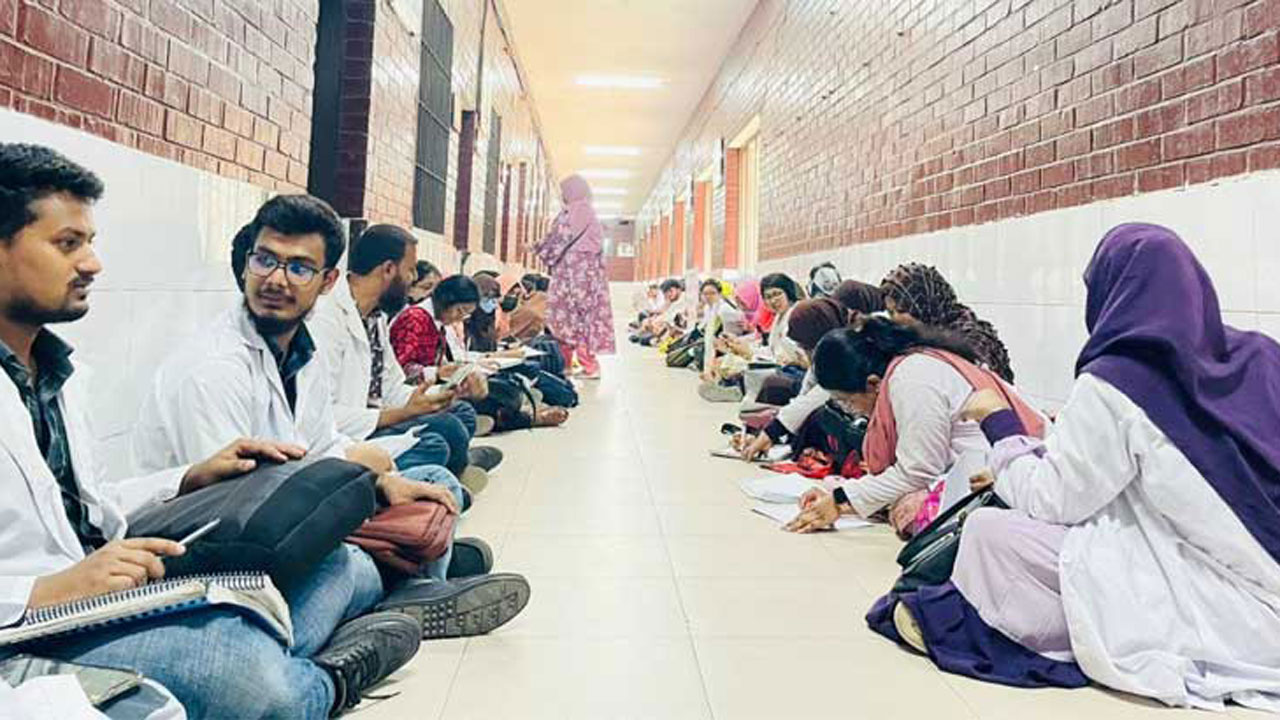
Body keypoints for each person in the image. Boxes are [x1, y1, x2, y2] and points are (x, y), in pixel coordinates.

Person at [0, 143, 424, 718]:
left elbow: (83, 510)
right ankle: (324, 680)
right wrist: (43, 591)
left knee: (339, 566)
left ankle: (277, 653)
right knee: (242, 669)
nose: (93, 264)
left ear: (325, 281)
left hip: (106, 589)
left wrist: (188, 477)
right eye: (67, 243)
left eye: (89, 242)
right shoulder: (209, 366)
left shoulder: (57, 374)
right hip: (30, 624)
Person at [878, 224, 1280, 712]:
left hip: (1231, 605)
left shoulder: (1118, 380)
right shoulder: (1261, 355)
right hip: (1260, 573)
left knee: (992, 532)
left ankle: (1015, 634)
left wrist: (1000, 426)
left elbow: (1053, 501)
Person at [133, 194, 529, 628]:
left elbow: (323, 442)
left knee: (434, 484)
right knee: (343, 569)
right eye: (265, 260)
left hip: (288, 509)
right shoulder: (212, 370)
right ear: (246, 264)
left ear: (327, 281)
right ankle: (401, 580)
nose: (277, 280)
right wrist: (360, 490)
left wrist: (382, 482)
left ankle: (406, 578)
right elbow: (234, 510)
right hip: (218, 549)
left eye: (300, 268)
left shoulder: (302, 353)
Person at [784, 317, 1045, 537]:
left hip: (1009, 481)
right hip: (980, 473)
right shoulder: (907, 369)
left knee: (909, 508)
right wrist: (836, 495)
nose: (854, 411)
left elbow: (917, 473)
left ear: (873, 384)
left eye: (849, 402)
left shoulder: (912, 380)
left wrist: (840, 501)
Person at [306, 223, 498, 497]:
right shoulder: (325, 319)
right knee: (437, 441)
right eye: (410, 271)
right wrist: (404, 413)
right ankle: (437, 479)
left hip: (371, 422)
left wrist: (442, 394)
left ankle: (441, 478)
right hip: (343, 439)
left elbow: (393, 387)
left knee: (452, 420)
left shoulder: (374, 317)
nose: (413, 280)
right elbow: (324, 417)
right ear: (388, 269)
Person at [532, 175, 615, 379]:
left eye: (565, 191)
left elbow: (561, 237)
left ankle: (588, 366)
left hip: (575, 274)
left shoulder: (579, 210)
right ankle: (570, 365)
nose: (563, 195)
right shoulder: (585, 211)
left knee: (572, 318)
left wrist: (537, 247)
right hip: (581, 274)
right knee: (571, 319)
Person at [881, 263, 1015, 383]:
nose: (895, 319)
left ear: (926, 306)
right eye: (891, 312)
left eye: (901, 310)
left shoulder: (974, 341)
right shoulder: (915, 341)